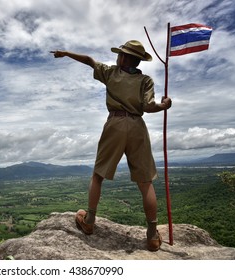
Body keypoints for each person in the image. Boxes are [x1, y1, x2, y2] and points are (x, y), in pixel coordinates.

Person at [51, 40, 172, 251]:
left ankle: (88, 222)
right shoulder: (145, 80)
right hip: (137, 126)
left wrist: (65, 53)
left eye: (120, 54)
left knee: (98, 175)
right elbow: (148, 106)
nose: (118, 57)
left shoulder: (111, 73)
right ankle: (152, 236)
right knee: (145, 183)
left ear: (124, 57)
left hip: (114, 123)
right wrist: (165, 105)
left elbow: (89, 60)